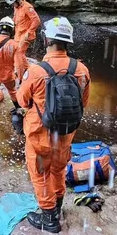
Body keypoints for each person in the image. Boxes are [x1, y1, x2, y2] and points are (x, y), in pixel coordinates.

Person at [16, 17, 91, 233]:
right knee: (58, 170)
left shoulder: (37, 71)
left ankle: (49, 218)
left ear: (47, 39)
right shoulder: (82, 70)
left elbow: (22, 100)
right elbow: (82, 103)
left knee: (40, 174)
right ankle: (57, 206)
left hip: (40, 136)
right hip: (65, 134)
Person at [5, 0, 41, 80]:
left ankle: (21, 79)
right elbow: (16, 19)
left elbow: (36, 21)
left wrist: (28, 33)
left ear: (18, 0)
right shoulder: (16, 7)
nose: (13, 5)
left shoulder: (27, 7)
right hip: (18, 35)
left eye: (14, 3)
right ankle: (30, 70)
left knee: (18, 55)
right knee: (19, 55)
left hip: (25, 36)